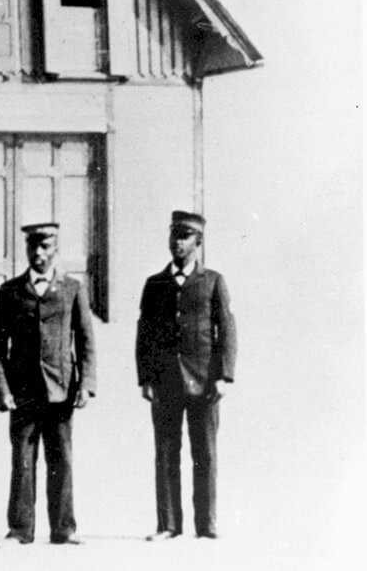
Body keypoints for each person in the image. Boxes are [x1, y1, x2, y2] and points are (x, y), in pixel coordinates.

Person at [0, 222, 96, 548]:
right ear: (26, 250)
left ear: (55, 249)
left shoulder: (72, 289)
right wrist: (2, 389)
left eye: (45, 246)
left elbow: (86, 339)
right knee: (22, 460)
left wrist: (86, 384)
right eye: (33, 247)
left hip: (61, 390)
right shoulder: (10, 291)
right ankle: (20, 530)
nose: (38, 253)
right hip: (22, 393)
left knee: (61, 459)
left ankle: (64, 529)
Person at [136, 210, 237, 541]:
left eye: (184, 236)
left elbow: (227, 331)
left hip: (204, 382)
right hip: (165, 382)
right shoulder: (155, 284)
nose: (177, 243)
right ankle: (168, 525)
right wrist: (146, 378)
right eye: (173, 235)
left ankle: (206, 525)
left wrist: (224, 375)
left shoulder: (213, 282)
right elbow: (145, 334)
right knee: (166, 453)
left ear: (198, 242)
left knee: (204, 453)